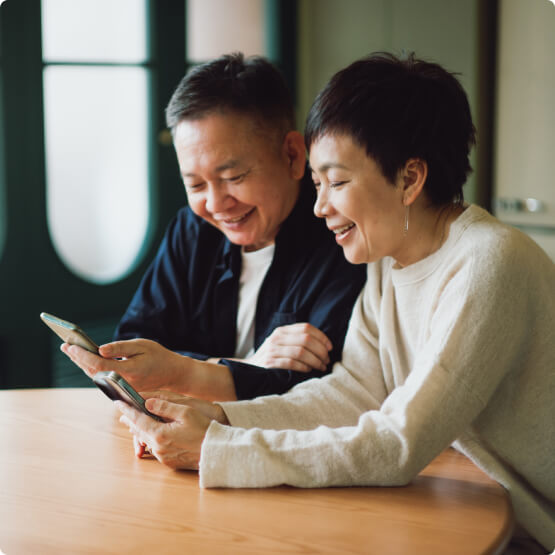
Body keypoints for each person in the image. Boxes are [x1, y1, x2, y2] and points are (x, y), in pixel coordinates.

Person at [116, 52, 554, 553]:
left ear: (410, 179)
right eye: (318, 184)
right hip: (464, 505)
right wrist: (218, 419)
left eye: (337, 182)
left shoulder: (487, 263)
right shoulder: (390, 264)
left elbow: (396, 444)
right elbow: (349, 395)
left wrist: (220, 449)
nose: (320, 206)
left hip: (529, 529)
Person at [62, 53, 365, 401]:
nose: (216, 204)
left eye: (233, 177)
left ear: (293, 156)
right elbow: (132, 359)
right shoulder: (192, 231)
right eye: (195, 185)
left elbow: (321, 393)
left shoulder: (343, 236)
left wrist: (186, 371)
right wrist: (241, 366)